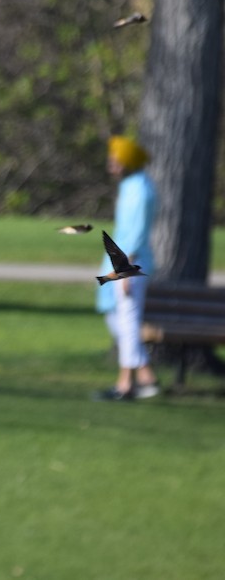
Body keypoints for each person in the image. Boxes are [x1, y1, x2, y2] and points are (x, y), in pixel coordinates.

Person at [95, 135, 161, 400]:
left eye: (116, 157)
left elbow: (134, 233)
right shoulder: (133, 186)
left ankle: (125, 384)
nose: (111, 162)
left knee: (127, 321)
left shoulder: (139, 191)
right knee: (117, 319)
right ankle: (146, 376)